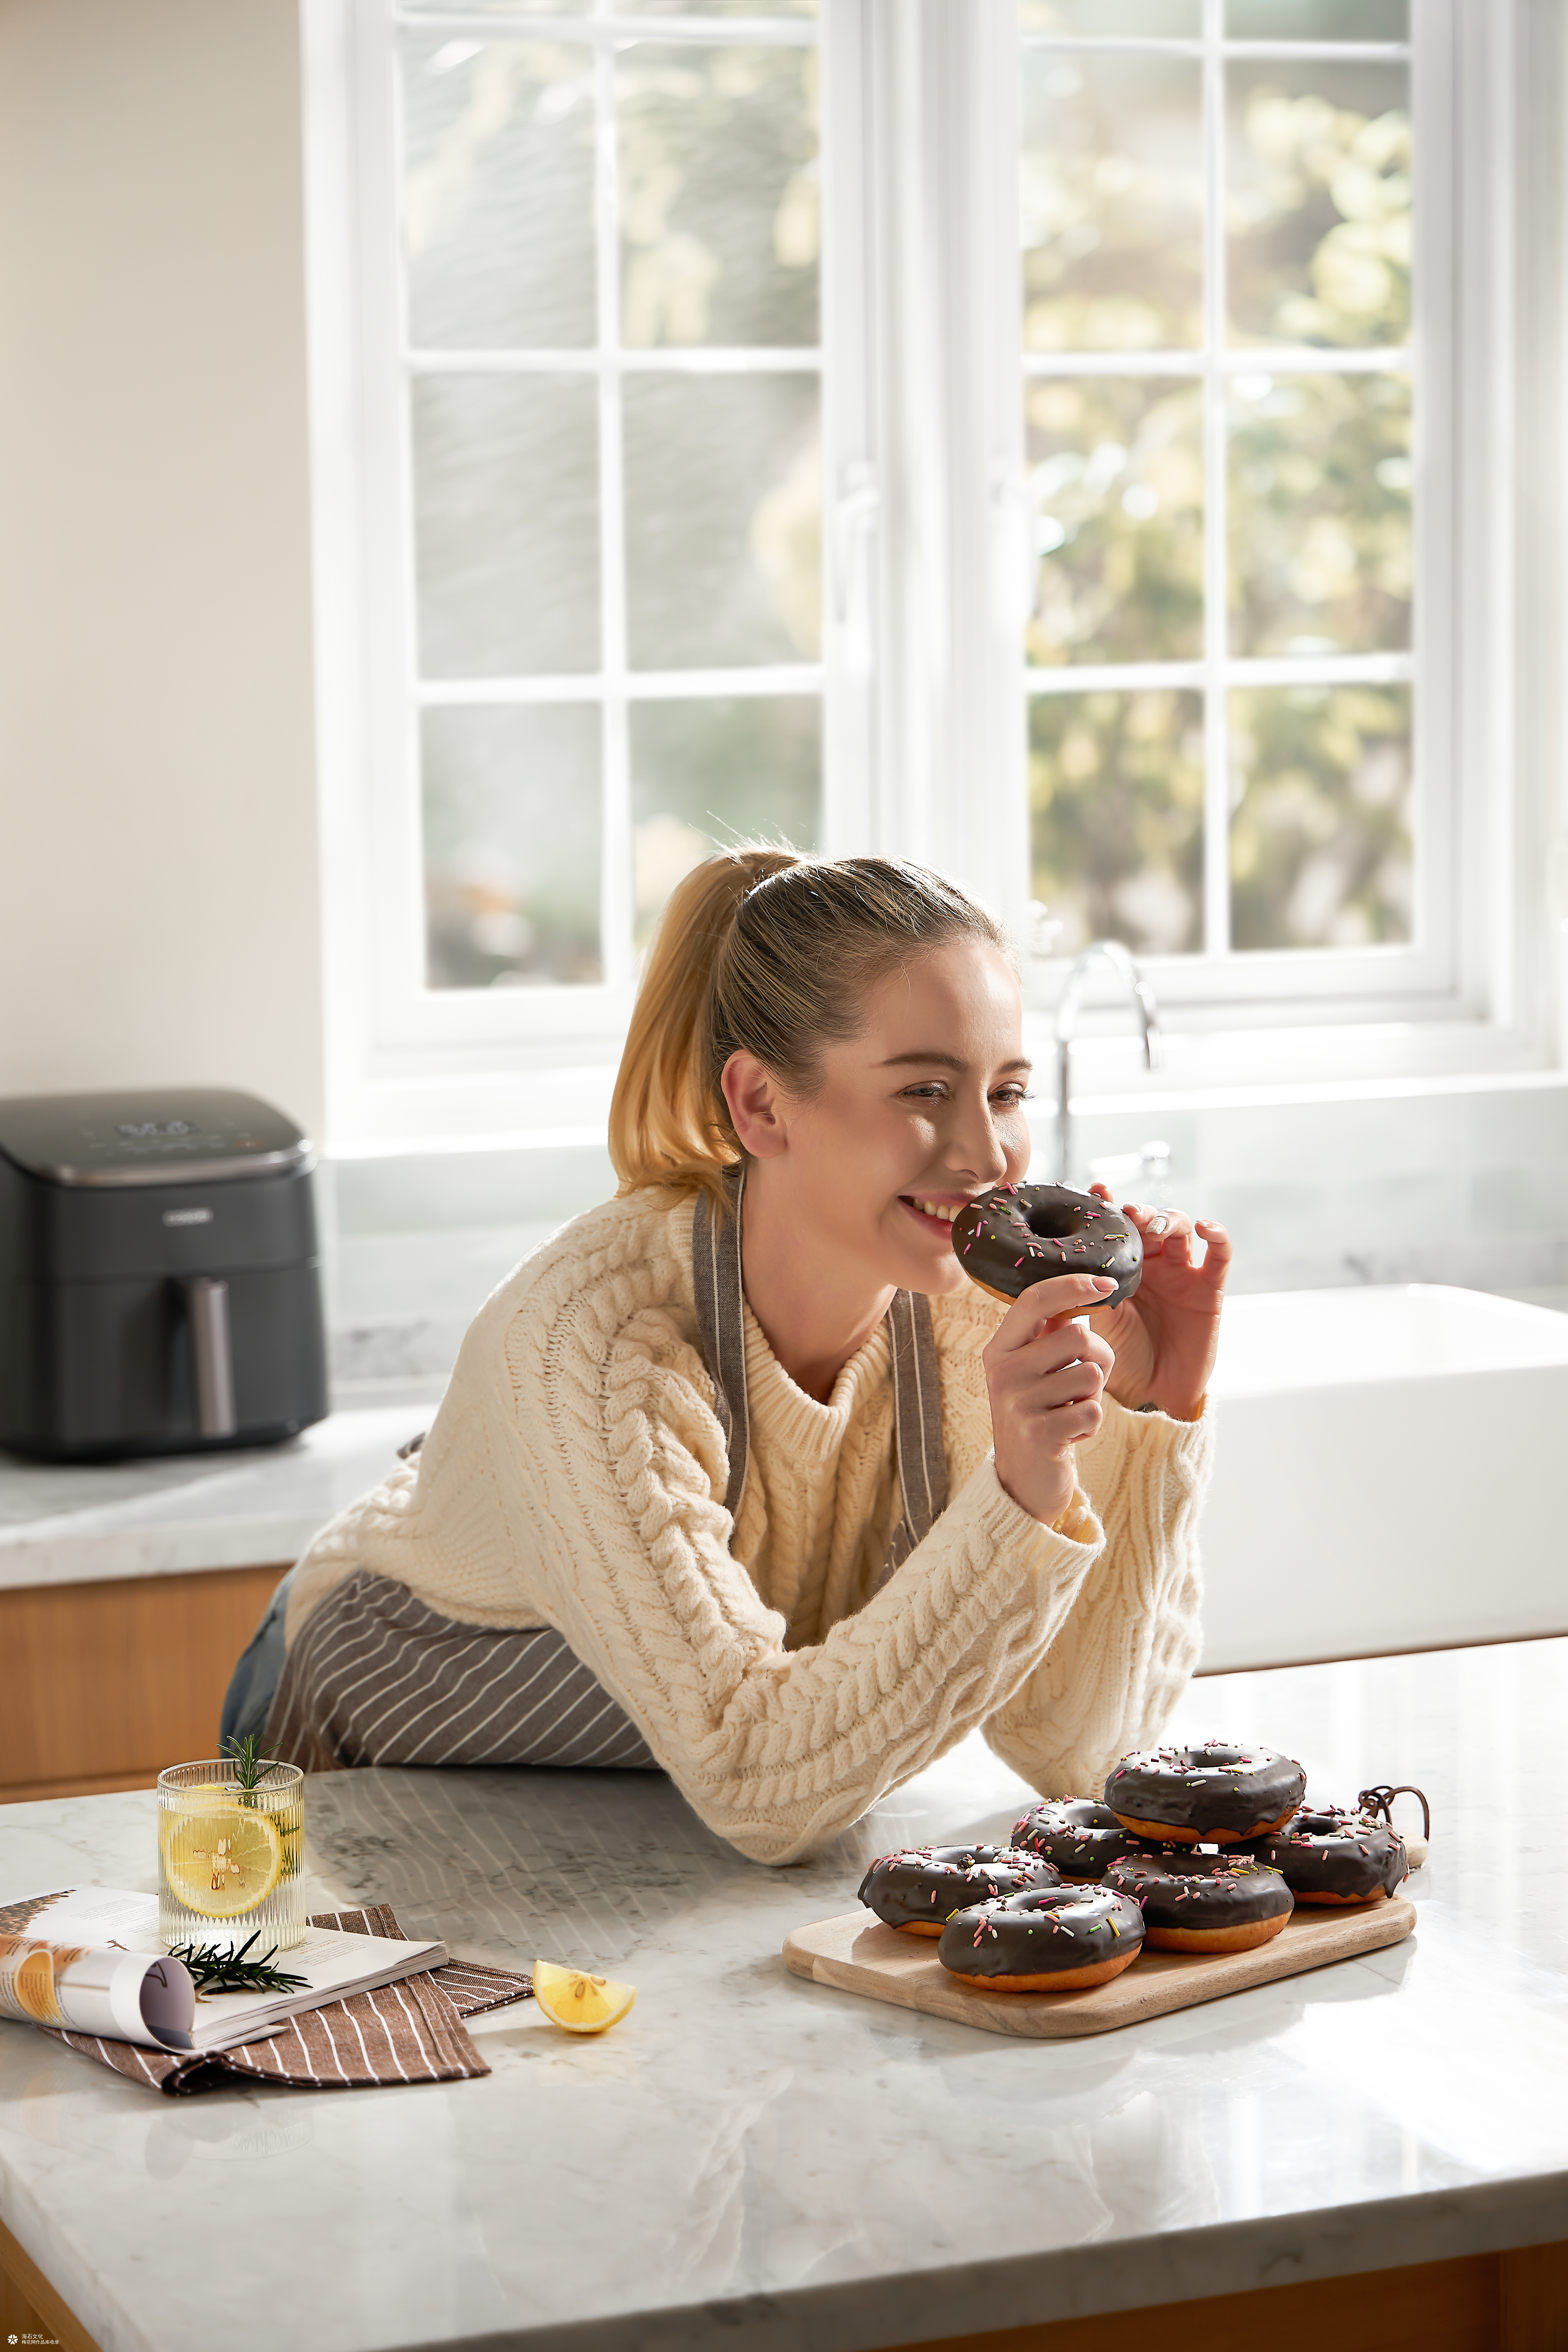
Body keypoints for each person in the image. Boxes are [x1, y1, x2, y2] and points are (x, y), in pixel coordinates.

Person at [222, 850, 1229, 1865]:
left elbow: (1081, 1751)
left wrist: (1150, 1415)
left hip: (635, 1798)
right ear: (760, 1104)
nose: (985, 1154)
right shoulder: (593, 1339)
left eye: (1005, 1092)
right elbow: (758, 1783)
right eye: (925, 1089)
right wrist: (1013, 1492)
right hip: (366, 1743)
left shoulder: (971, 1323)